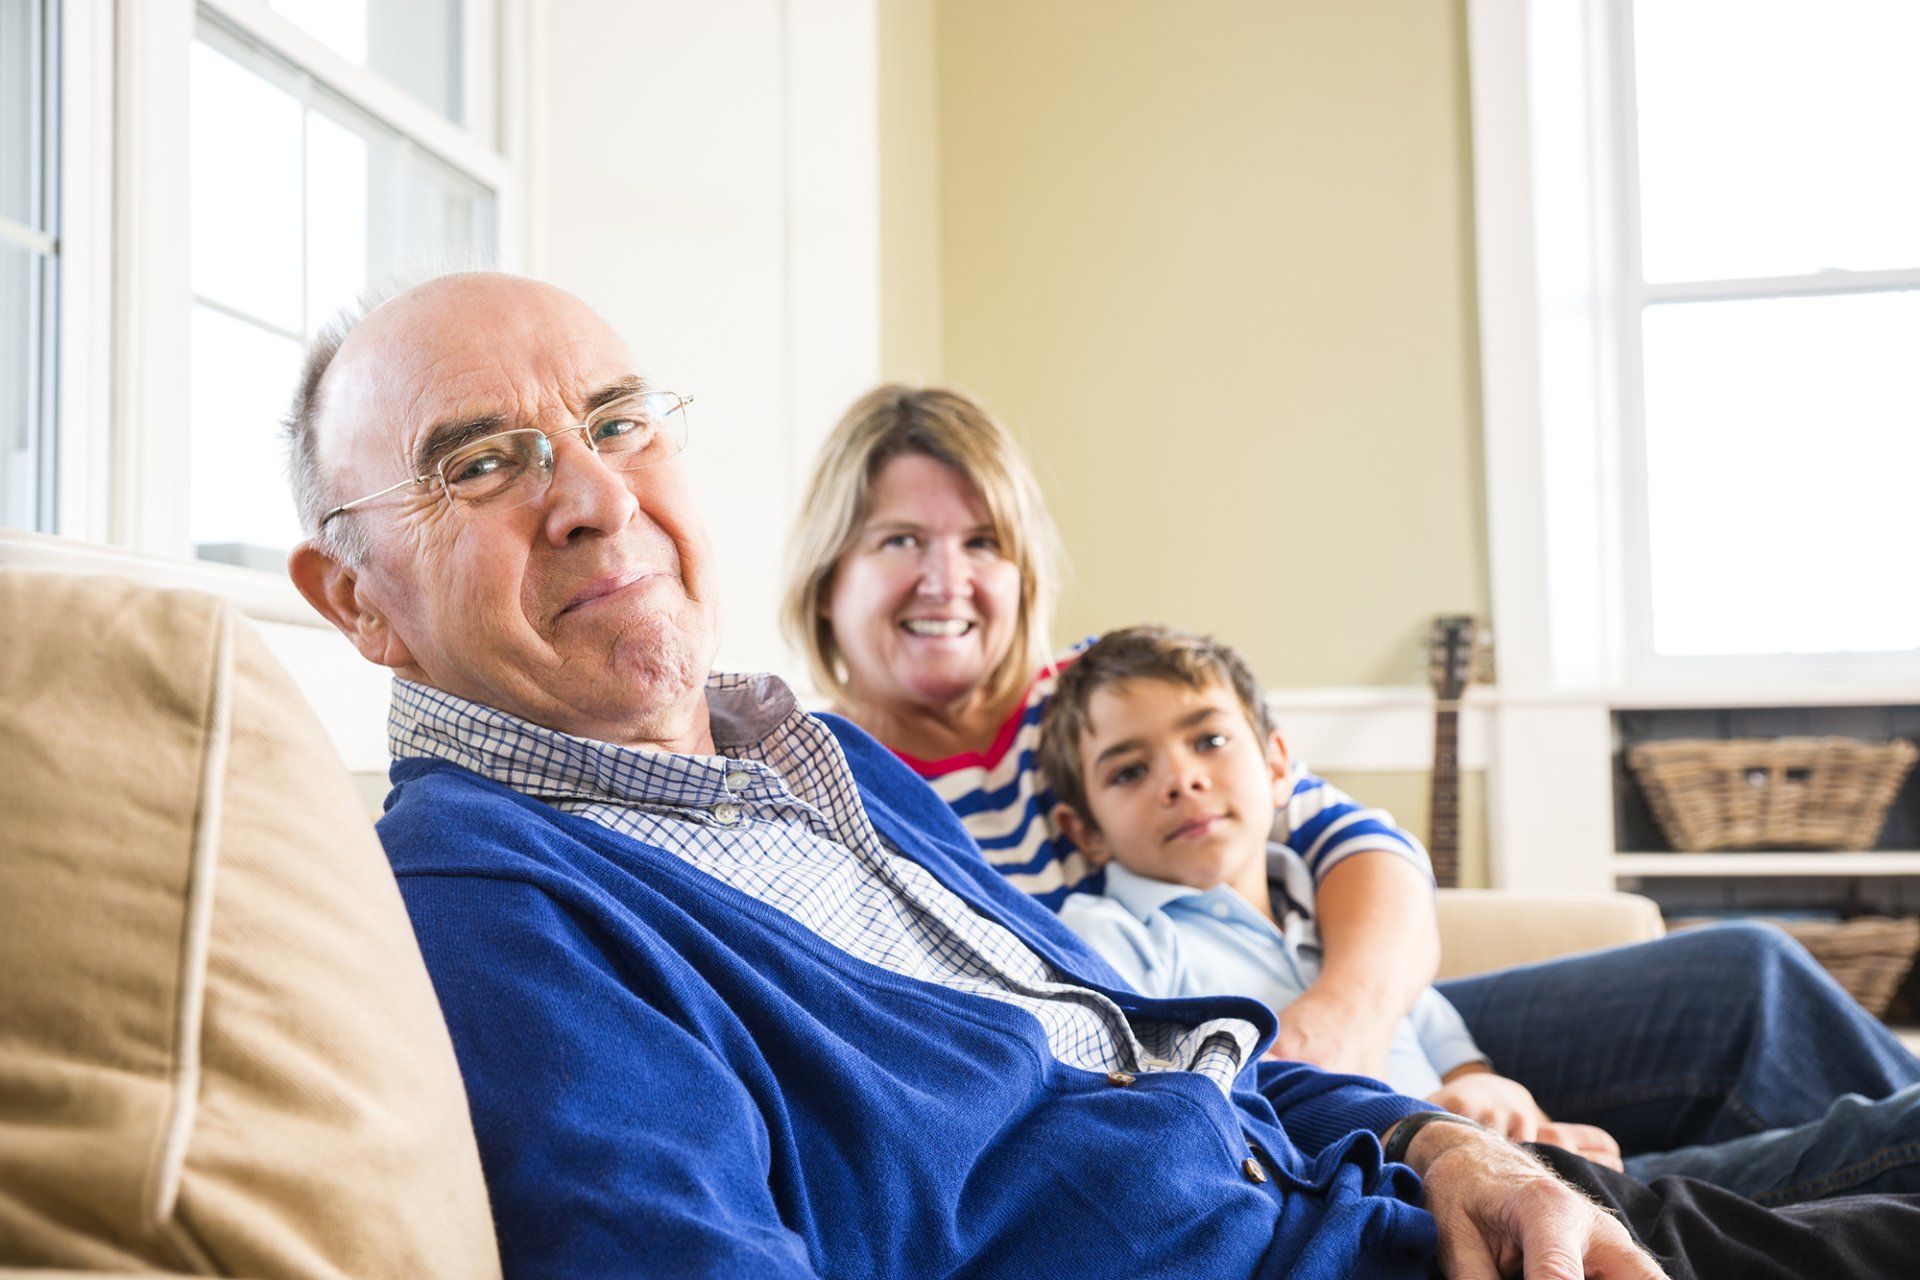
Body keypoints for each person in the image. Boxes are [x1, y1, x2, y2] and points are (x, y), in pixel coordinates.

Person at [282, 271, 1920, 1280]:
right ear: (355, 597)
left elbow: (1155, 1019)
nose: (589, 494)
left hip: (1371, 1179)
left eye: (622, 421)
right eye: (480, 462)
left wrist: (1430, 1136)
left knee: (1788, 1031)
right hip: (1319, 1246)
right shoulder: (499, 891)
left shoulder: (825, 762)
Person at [781, 382, 1920, 1173]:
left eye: (983, 540)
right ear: (830, 574)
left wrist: (1358, 1024)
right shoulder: (824, 784)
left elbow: (1354, 845)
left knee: (1748, 977)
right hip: (1208, 1096)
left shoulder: (1103, 696)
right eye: (899, 541)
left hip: (1332, 1021)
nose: (948, 578)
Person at [1041, 623, 1920, 1204]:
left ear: (1280, 768)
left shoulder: (1338, 926)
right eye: (1129, 770)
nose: (1181, 778)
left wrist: (1490, 1093)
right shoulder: (1111, 938)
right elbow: (1166, 1112)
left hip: (1526, 1165)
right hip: (1434, 1201)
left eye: (1209, 739)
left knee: (1868, 1150)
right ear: (1084, 829)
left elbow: (1450, 1047)